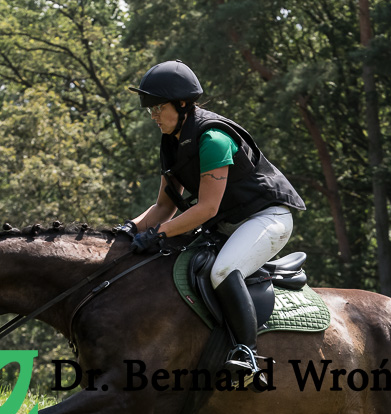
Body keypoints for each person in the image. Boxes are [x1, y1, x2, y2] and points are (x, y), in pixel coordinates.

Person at [120, 60, 305, 381]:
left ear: (182, 104)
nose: (152, 116)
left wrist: (158, 234)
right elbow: (164, 206)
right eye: (150, 109)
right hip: (228, 224)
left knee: (223, 271)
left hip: (267, 218)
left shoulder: (213, 138)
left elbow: (206, 208)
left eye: (158, 108)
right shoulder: (172, 143)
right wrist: (128, 230)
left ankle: (247, 355)